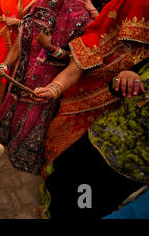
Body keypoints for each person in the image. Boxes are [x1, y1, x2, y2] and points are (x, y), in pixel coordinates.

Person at [33, 0, 149, 183]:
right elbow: (72, 70)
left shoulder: (81, 20)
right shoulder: (101, 36)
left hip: (121, 127)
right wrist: (52, 89)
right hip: (77, 106)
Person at [0, 0, 92, 174]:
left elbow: (76, 61)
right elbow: (20, 45)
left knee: (33, 118)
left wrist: (51, 48)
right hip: (20, 77)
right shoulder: (33, 15)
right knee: (12, 108)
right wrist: (5, 64)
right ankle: (5, 139)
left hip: (47, 83)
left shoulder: (79, 22)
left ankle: (22, 153)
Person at [40, 57, 148, 218]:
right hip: (97, 139)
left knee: (84, 205)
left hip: (125, 168)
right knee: (65, 183)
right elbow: (116, 87)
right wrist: (124, 77)